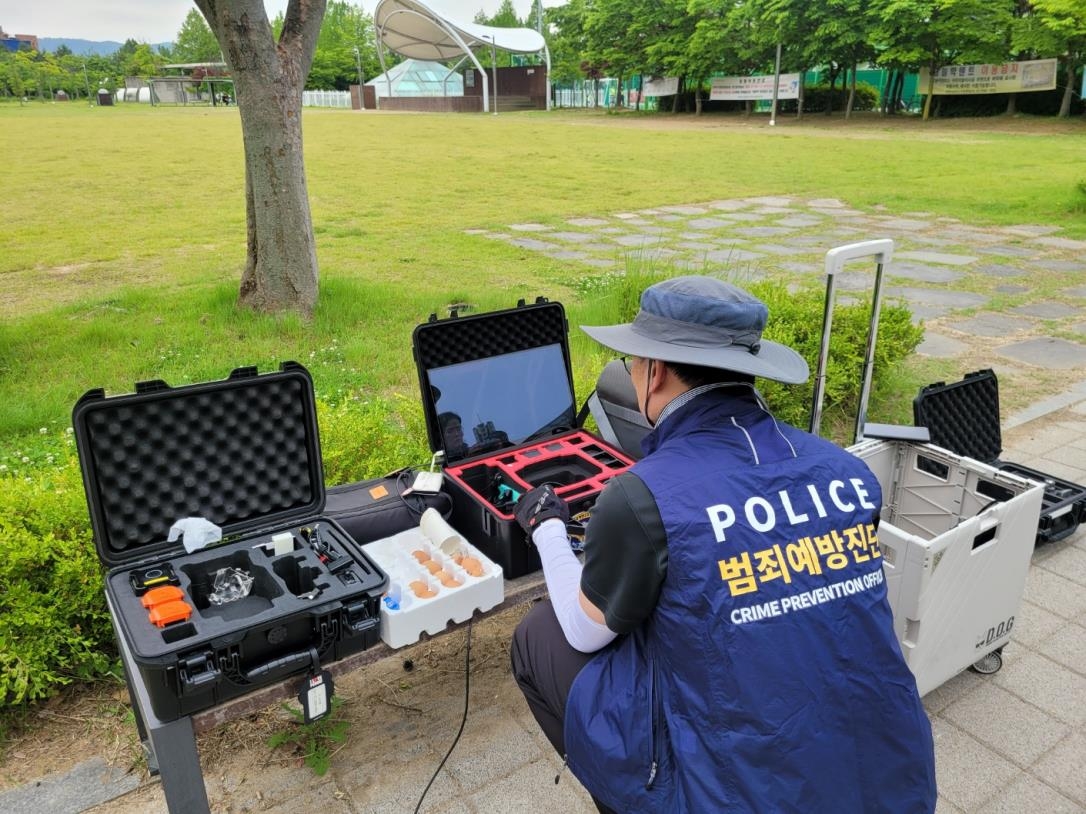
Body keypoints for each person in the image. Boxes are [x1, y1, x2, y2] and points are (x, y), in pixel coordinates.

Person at [510, 276, 936, 813]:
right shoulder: (848, 473)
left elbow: (582, 630)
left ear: (654, 372)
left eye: (633, 362)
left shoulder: (641, 497)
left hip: (738, 797)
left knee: (540, 632)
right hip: (895, 778)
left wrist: (549, 528)